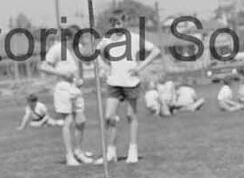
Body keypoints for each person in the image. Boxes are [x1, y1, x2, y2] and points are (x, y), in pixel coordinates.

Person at [97, 15, 160, 163]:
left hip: (131, 82)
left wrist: (140, 67)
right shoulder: (107, 40)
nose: (116, 26)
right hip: (114, 83)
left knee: (131, 116)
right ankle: (111, 152)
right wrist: (104, 66)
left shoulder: (134, 38)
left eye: (119, 22)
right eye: (113, 23)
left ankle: (133, 151)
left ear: (124, 22)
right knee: (108, 116)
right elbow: (95, 54)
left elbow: (155, 51)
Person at [40, 41, 95, 165]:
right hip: (63, 87)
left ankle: (79, 151)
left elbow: (79, 65)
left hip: (76, 88)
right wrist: (62, 73)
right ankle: (69, 156)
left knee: (81, 121)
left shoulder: (78, 48)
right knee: (68, 122)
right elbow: (43, 66)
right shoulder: (57, 48)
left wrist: (81, 79)